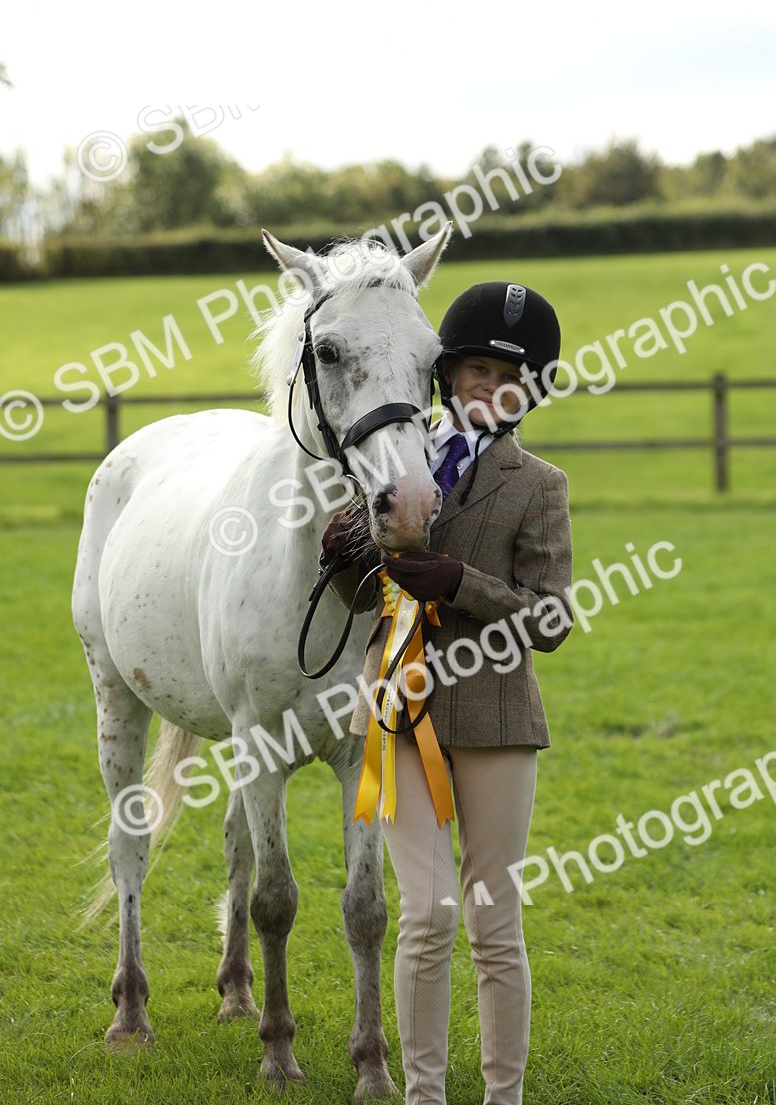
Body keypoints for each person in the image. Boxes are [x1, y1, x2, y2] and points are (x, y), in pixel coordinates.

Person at [322, 281, 573, 1105]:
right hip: (401, 712)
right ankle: (422, 1096)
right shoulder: (394, 464)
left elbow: (552, 620)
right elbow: (367, 603)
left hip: (498, 716)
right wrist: (346, 562)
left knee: (493, 926)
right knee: (426, 917)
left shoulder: (539, 484)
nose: (489, 389)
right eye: (473, 371)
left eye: (510, 378)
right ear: (444, 377)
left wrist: (461, 581)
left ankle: (505, 1096)